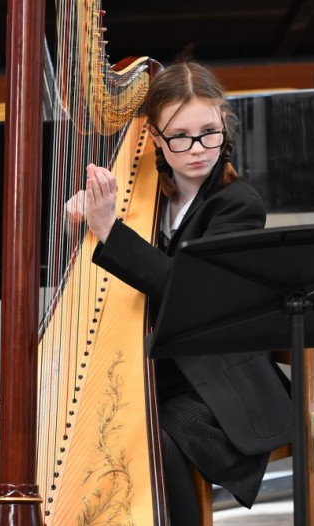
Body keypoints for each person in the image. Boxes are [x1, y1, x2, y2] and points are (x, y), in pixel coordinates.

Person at [65, 61, 292, 525]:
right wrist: (81, 223)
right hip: (162, 368)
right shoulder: (148, 195)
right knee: (93, 427)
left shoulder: (236, 205)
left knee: (154, 434)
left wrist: (109, 230)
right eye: (180, 136)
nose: (197, 149)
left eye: (208, 132)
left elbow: (188, 295)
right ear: (153, 138)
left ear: (224, 126)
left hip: (218, 380)